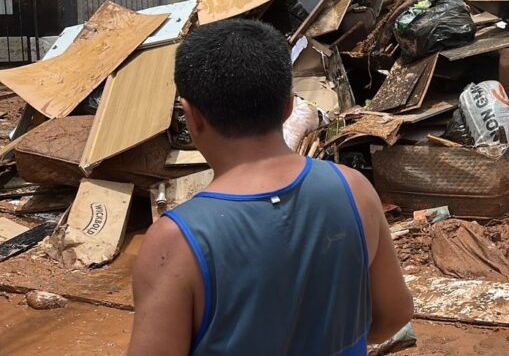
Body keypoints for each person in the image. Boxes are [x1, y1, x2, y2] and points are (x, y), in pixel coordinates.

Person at [129, 20, 413, 355]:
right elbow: (394, 316)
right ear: (289, 106)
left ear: (192, 117)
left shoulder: (175, 242)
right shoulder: (355, 190)